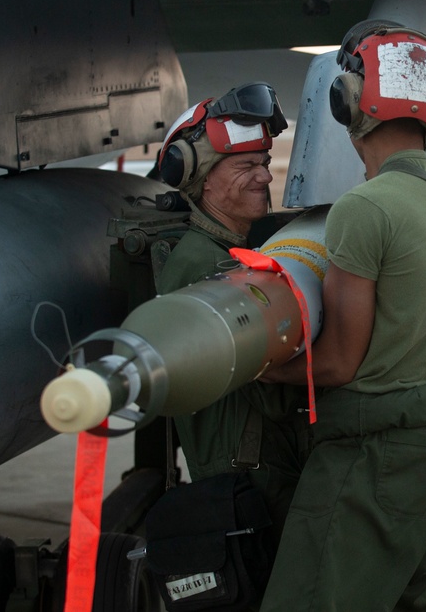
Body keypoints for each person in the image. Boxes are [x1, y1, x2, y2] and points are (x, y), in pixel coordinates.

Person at [258, 20, 426, 611]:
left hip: (373, 451)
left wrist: (259, 368)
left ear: (349, 103)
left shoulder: (365, 207)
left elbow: (336, 364)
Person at [155, 82, 311, 545]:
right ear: (200, 179)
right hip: (247, 477)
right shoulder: (205, 266)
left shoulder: (230, 250)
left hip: (254, 467)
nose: (264, 176)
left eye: (264, 163)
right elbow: (269, 390)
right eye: (246, 166)